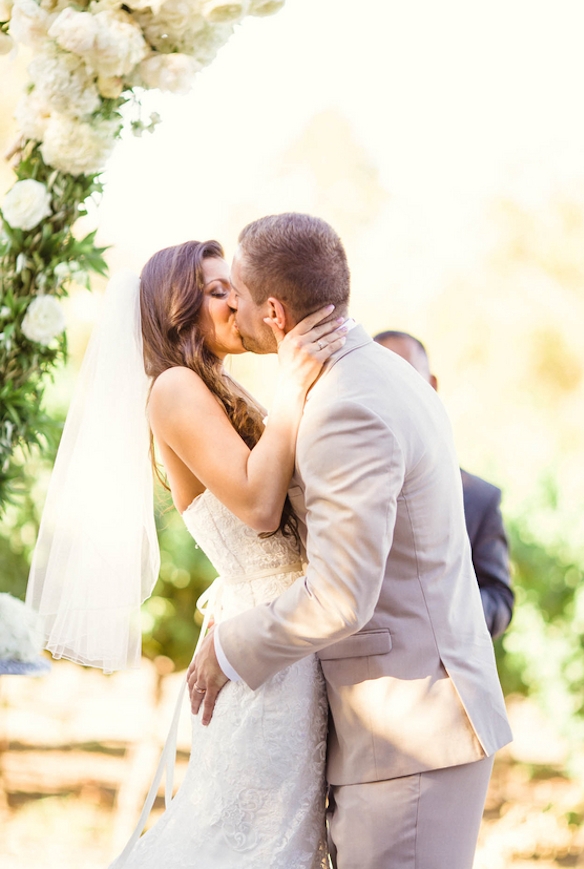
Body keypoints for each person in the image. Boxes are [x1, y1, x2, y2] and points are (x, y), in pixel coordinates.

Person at [189, 213, 513, 869]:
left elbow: (340, 595)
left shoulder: (347, 402)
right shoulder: (371, 376)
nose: (231, 308)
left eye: (239, 296)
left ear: (273, 310)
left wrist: (228, 646)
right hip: (397, 732)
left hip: (412, 737)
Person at [27, 239, 347, 869]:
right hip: (269, 657)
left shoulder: (214, 388)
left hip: (280, 636)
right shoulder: (173, 388)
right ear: (177, 307)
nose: (237, 302)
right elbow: (259, 509)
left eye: (237, 287)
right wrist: (292, 386)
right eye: (217, 289)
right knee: (253, 845)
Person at [373, 330, 514, 638]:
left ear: (432, 385)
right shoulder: (338, 482)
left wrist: (445, 609)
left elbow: (499, 601)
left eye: (408, 376)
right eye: (383, 378)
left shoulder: (478, 497)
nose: (397, 391)